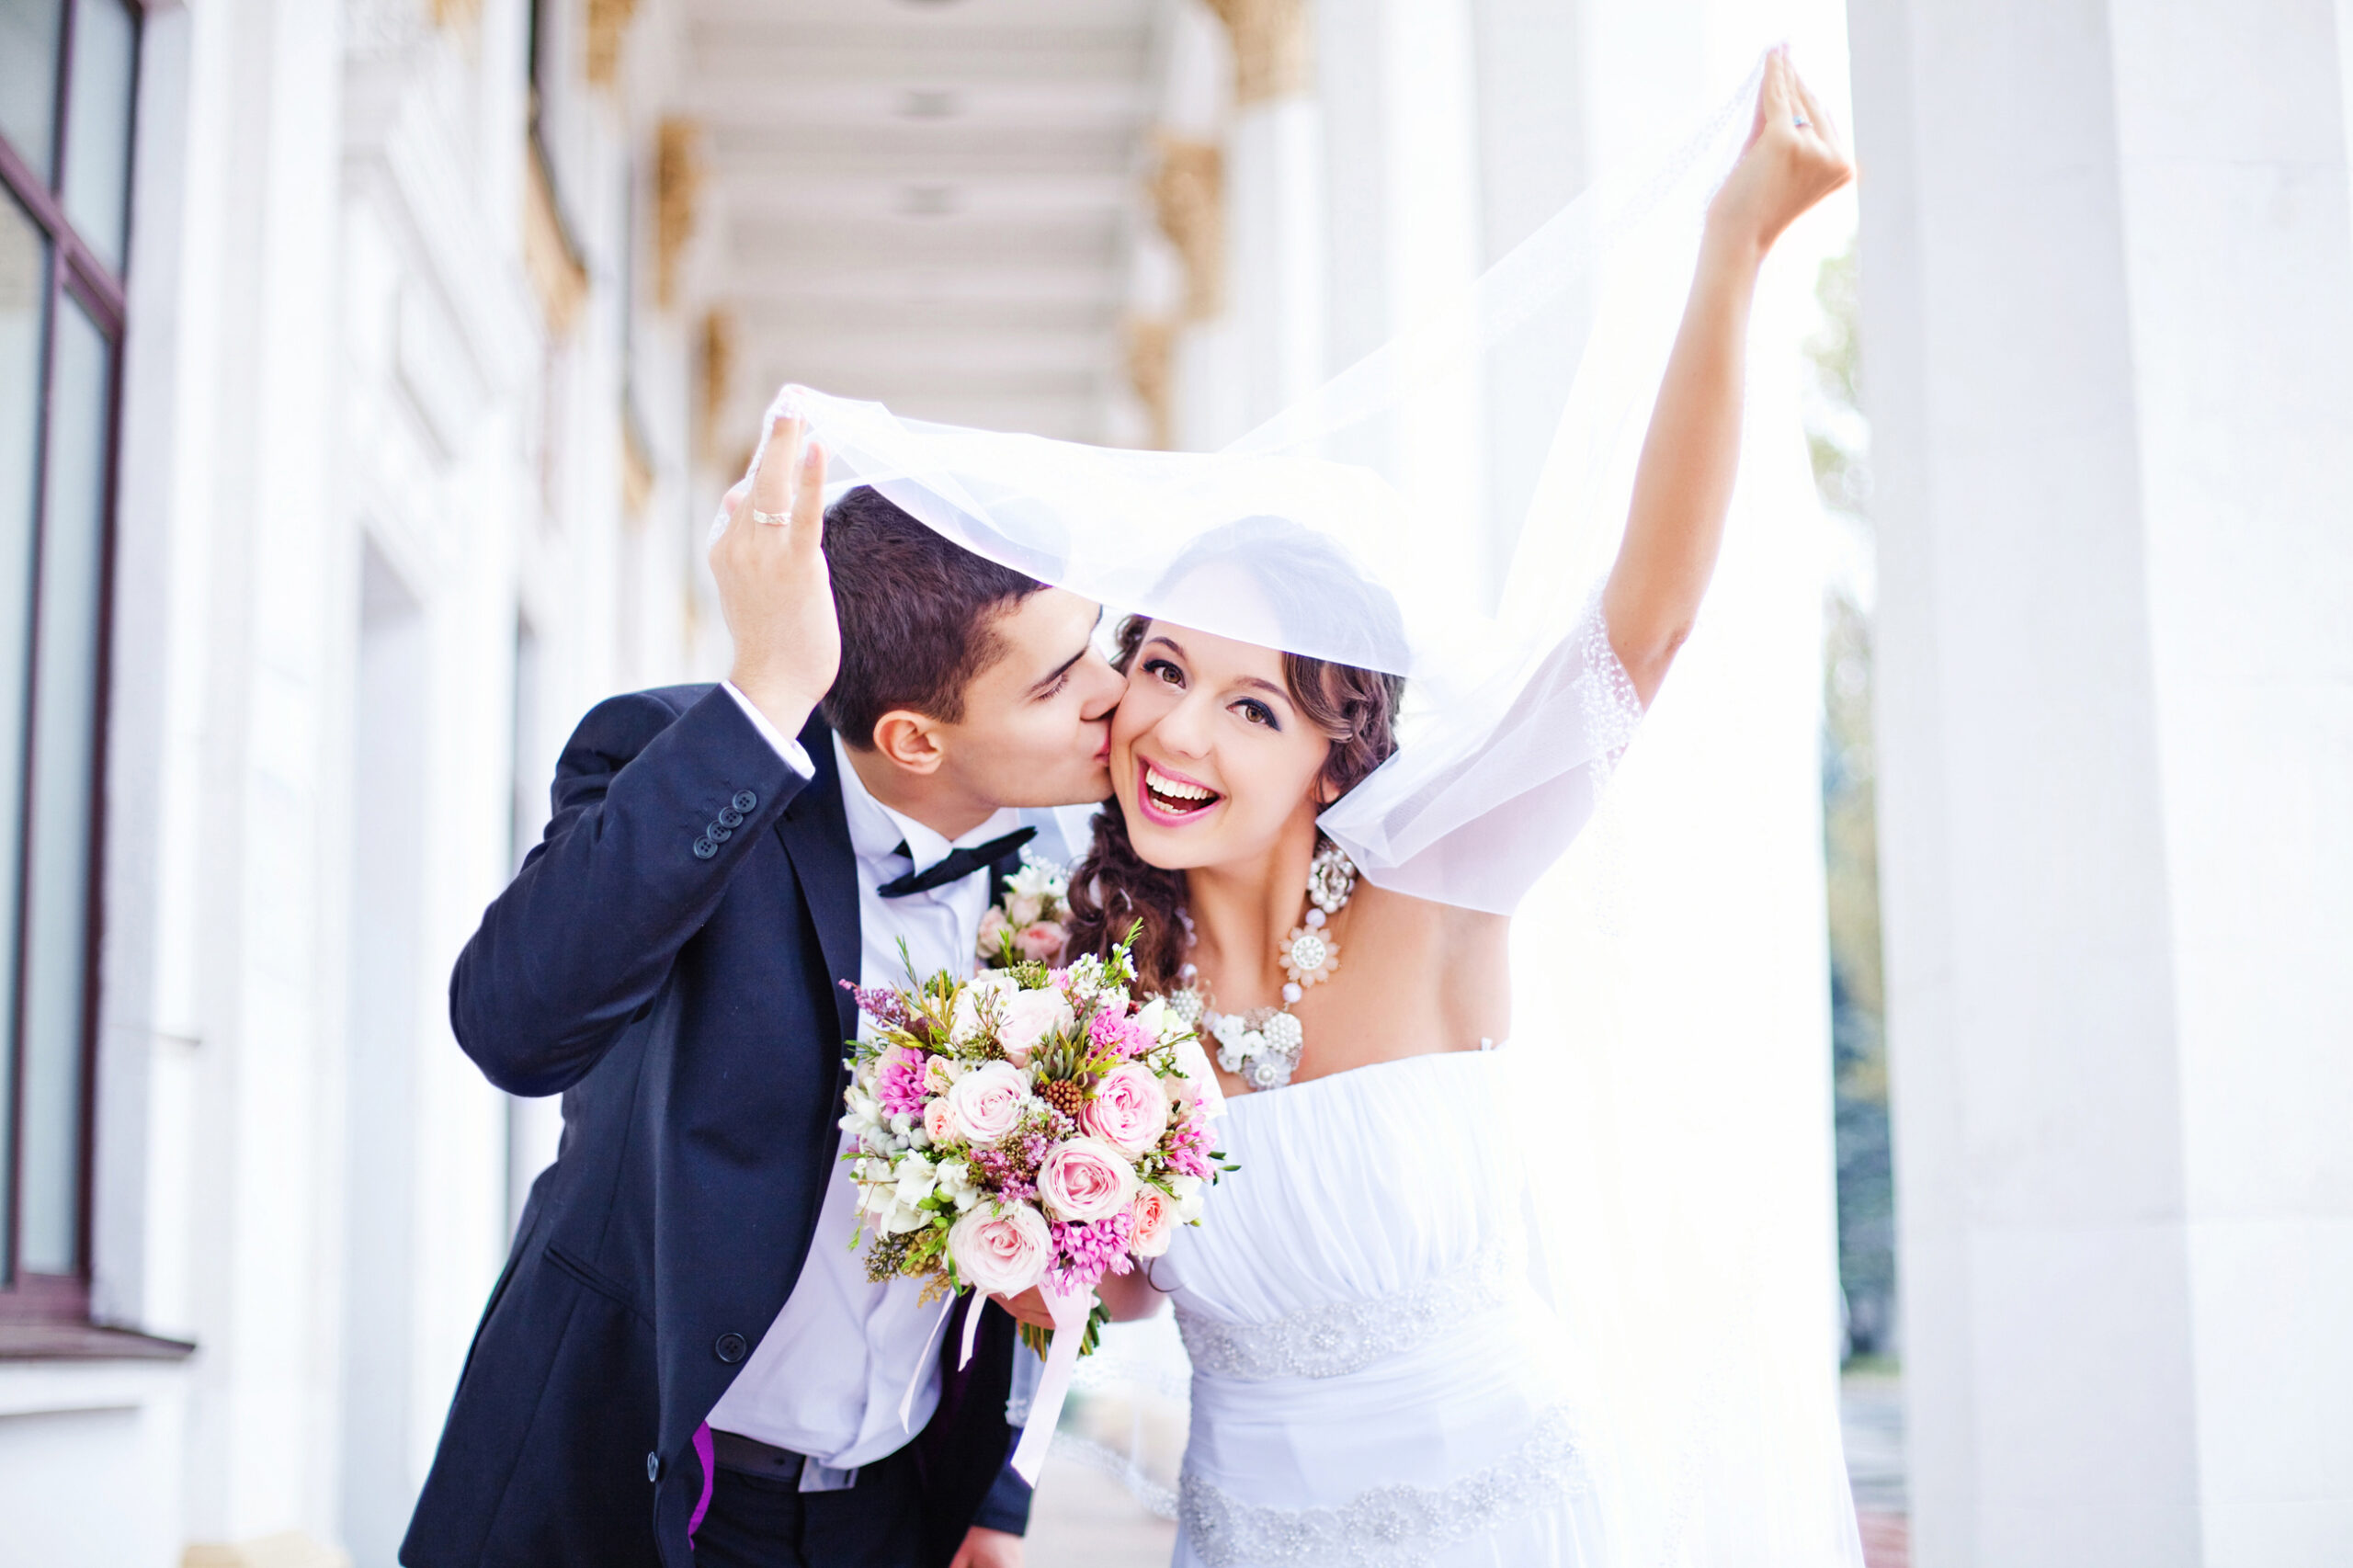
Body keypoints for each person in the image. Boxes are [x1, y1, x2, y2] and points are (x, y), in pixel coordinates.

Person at [1054, 52, 1856, 1566]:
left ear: (1330, 756)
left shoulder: (1432, 883)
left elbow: (1647, 624)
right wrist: (1039, 1229)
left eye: (1253, 704)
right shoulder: (1101, 990)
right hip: (1245, 1524)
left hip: (1503, 1518)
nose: (1176, 726)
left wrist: (1733, 252)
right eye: (1161, 667)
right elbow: (1137, 1291)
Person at [401, 423, 1105, 1568]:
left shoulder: (1067, 872)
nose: (1113, 695)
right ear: (915, 737)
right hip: (636, 1488)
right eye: (1061, 678)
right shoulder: (688, 759)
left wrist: (999, 1493)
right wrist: (767, 690)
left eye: (1097, 647)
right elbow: (512, 1025)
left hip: (898, 1511)